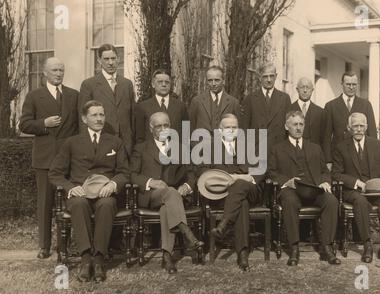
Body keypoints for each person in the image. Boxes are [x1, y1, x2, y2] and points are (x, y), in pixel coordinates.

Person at [49, 100, 130, 282]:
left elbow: (125, 172)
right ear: (85, 119)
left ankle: (99, 259)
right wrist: (71, 187)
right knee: (78, 204)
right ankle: (86, 259)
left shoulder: (115, 142)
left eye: (102, 114)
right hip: (81, 192)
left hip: (104, 192)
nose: (99, 118)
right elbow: (55, 173)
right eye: (94, 115)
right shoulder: (72, 142)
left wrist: (113, 185)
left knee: (107, 205)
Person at [19, 57, 79, 259]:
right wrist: (44, 123)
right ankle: (44, 246)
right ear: (45, 72)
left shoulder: (73, 95)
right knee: (45, 203)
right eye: (54, 70)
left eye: (61, 70)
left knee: (70, 201)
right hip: (44, 159)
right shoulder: (34, 96)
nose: (59, 73)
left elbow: (78, 128)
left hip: (68, 159)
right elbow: (24, 125)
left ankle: (65, 245)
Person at [130, 112, 204, 274]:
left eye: (166, 125)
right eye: (158, 126)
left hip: (175, 197)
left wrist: (186, 185)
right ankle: (188, 234)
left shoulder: (181, 148)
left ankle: (167, 256)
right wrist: (151, 182)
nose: (163, 129)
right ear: (151, 129)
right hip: (151, 196)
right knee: (168, 193)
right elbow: (133, 174)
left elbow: (192, 173)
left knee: (167, 207)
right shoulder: (141, 148)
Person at [332, 112, 380, 263]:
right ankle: (367, 244)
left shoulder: (377, 145)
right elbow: (336, 174)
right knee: (360, 201)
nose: (359, 129)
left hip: (376, 191)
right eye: (355, 126)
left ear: (367, 127)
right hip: (354, 191)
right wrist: (356, 182)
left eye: (362, 126)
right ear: (349, 127)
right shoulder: (341, 148)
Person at [268, 111, 340, 266]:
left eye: (301, 124)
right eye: (295, 124)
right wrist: (287, 181)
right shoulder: (277, 148)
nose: (298, 128)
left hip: (314, 189)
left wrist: (325, 182)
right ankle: (294, 248)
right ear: (286, 127)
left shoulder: (315, 148)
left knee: (331, 201)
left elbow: (324, 171)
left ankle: (327, 247)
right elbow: (272, 172)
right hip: (291, 190)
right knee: (289, 201)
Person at [197, 114, 264, 271]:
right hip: (222, 194)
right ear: (220, 130)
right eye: (227, 127)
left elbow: (260, 171)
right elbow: (202, 171)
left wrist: (238, 177)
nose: (231, 130)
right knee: (242, 204)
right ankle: (243, 253)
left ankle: (225, 223)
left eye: (234, 127)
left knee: (239, 184)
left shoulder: (248, 146)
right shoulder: (209, 148)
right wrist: (223, 179)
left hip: (251, 190)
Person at [78, 43, 135, 155]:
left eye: (113, 58)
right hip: (101, 141)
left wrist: (132, 142)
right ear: (99, 61)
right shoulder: (89, 84)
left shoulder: (127, 84)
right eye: (106, 59)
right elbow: (83, 119)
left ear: (118, 59)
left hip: (125, 145)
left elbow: (132, 116)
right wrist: (88, 144)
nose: (110, 62)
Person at [323, 71, 377, 169]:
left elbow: (372, 133)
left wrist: (372, 158)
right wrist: (328, 160)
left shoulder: (366, 105)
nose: (351, 87)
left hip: (360, 155)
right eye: (348, 84)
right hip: (338, 156)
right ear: (342, 84)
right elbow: (326, 136)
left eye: (354, 84)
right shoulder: (331, 106)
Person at [242, 62, 292, 153]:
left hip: (279, 151)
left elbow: (289, 129)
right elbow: (245, 129)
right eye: (265, 76)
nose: (269, 80)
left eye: (271, 76)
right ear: (259, 77)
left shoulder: (285, 99)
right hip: (256, 152)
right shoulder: (250, 99)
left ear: (276, 76)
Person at [134, 69, 188, 144]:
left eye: (167, 82)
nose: (164, 84)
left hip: (175, 152)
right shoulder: (143, 107)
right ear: (153, 84)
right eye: (160, 82)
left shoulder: (181, 106)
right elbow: (139, 137)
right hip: (151, 153)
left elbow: (186, 134)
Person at [189, 65, 241, 135]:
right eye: (210, 80)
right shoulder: (197, 101)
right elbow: (191, 128)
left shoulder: (233, 103)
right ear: (206, 81)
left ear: (223, 81)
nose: (213, 84)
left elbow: (237, 130)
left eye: (217, 80)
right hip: (202, 144)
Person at [288, 77, 325, 147]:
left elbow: (323, 138)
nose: (305, 90)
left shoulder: (320, 112)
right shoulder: (289, 109)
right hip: (293, 153)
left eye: (307, 87)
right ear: (297, 89)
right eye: (302, 87)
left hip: (313, 154)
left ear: (312, 90)